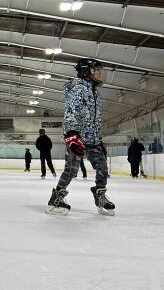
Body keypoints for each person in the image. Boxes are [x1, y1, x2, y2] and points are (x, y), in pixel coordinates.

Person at [47, 58, 115, 216]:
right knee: (71, 170)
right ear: (86, 71)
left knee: (102, 168)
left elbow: (95, 119)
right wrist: (71, 135)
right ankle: (56, 198)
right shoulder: (77, 88)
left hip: (93, 139)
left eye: (100, 70)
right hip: (77, 136)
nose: (99, 73)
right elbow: (72, 112)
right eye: (95, 70)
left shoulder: (95, 92)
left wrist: (99, 140)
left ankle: (100, 196)